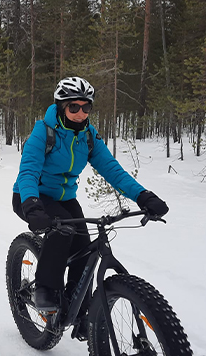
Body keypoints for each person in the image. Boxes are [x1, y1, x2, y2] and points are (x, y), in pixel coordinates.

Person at [12, 77, 169, 336]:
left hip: (64, 199)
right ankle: (44, 289)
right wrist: (31, 205)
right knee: (63, 233)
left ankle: (77, 305)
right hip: (33, 197)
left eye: (86, 107)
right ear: (61, 107)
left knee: (85, 246)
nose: (80, 113)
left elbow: (112, 170)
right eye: (74, 107)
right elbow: (28, 170)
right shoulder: (44, 131)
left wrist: (143, 196)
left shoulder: (88, 136)